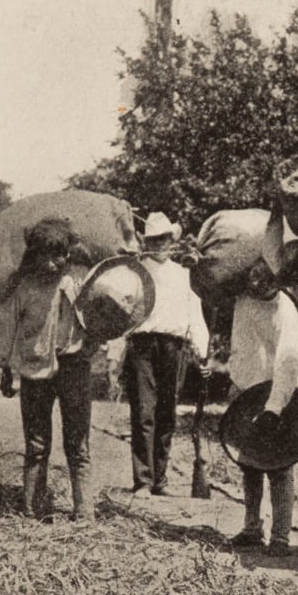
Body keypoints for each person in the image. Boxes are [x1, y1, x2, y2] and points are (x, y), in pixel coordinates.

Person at [0, 217, 98, 523]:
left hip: (73, 367)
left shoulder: (77, 285)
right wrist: (5, 370)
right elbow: (7, 331)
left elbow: (98, 321)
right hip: (35, 371)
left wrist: (92, 344)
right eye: (44, 255)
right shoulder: (24, 290)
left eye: (59, 256)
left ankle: (84, 510)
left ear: (68, 255)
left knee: (78, 441)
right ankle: (31, 509)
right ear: (34, 255)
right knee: (37, 443)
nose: (52, 264)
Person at [122, 212, 209, 496]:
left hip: (174, 346)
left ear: (172, 240)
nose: (160, 244)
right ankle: (143, 480)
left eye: (164, 239)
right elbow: (121, 314)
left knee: (167, 413)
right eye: (154, 239)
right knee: (144, 412)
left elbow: (194, 314)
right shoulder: (135, 272)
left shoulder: (184, 274)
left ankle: (161, 478)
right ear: (147, 241)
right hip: (142, 345)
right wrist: (115, 355)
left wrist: (202, 350)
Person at [226, 260, 298, 555]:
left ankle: (281, 535)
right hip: (245, 390)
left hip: (274, 392)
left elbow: (288, 363)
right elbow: (240, 347)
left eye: (265, 282)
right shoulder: (243, 302)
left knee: (280, 465)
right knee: (249, 463)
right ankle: (251, 528)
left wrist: (274, 407)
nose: (258, 288)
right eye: (253, 282)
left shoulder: (286, 312)